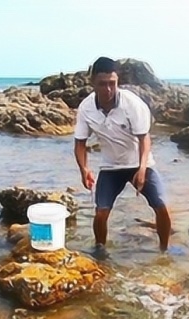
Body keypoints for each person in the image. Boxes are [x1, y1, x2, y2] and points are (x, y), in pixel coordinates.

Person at [73, 56, 173, 255]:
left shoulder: (132, 104)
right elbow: (80, 143)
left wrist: (143, 169)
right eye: (102, 84)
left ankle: (164, 251)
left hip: (139, 164)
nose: (108, 90)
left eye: (112, 84)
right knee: (101, 212)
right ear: (92, 82)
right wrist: (84, 169)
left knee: (161, 205)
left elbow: (144, 139)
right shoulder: (86, 108)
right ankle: (100, 251)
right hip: (111, 168)